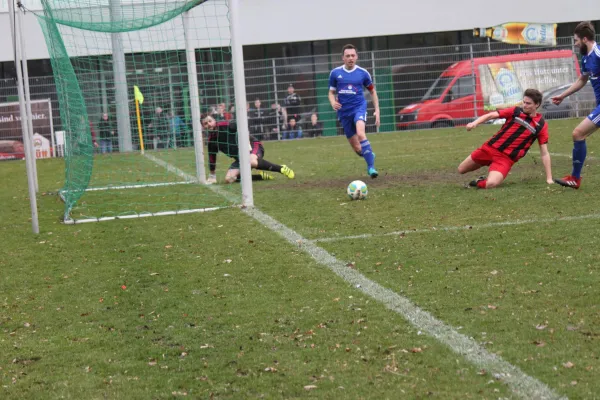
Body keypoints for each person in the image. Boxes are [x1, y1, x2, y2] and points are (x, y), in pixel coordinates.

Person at [458, 88, 553, 189]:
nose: (524, 105)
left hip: (505, 158)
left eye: (528, 103)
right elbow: (491, 115)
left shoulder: (541, 125)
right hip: (489, 148)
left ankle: (478, 182)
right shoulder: (515, 111)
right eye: (524, 102)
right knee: (461, 169)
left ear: (537, 105)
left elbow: (544, 153)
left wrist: (549, 178)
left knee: (491, 184)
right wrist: (474, 123)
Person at [552, 22, 600, 189]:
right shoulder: (586, 56)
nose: (575, 44)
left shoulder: (598, 53)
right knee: (578, 134)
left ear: (585, 39)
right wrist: (562, 96)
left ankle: (575, 178)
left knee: (578, 133)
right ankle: (575, 178)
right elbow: (582, 80)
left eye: (576, 40)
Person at [328, 44, 380, 178]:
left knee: (361, 134)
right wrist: (333, 102)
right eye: (347, 56)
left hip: (359, 108)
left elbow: (373, 92)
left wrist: (377, 111)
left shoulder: (363, 73)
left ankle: (371, 168)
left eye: (353, 55)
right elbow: (331, 92)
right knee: (358, 149)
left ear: (356, 57)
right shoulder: (335, 73)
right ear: (343, 58)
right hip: (344, 113)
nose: (350, 58)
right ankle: (368, 154)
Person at [202, 115, 295, 184]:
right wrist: (212, 175)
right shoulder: (211, 141)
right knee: (229, 179)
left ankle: (281, 168)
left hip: (252, 146)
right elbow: (212, 158)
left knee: (251, 161)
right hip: (240, 158)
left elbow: (243, 125)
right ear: (203, 127)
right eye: (206, 123)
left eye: (210, 121)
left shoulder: (226, 125)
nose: (209, 124)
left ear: (214, 120)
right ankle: (259, 176)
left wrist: (247, 144)